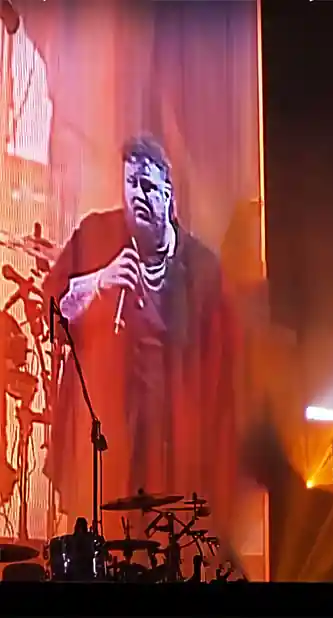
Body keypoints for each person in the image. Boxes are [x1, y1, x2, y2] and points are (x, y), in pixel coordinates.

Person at [41, 135, 239, 538]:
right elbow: (51, 311)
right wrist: (99, 281)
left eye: (148, 187)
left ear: (169, 194)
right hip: (103, 442)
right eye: (131, 184)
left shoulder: (201, 269)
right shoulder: (96, 236)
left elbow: (223, 366)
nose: (138, 196)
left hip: (170, 451)